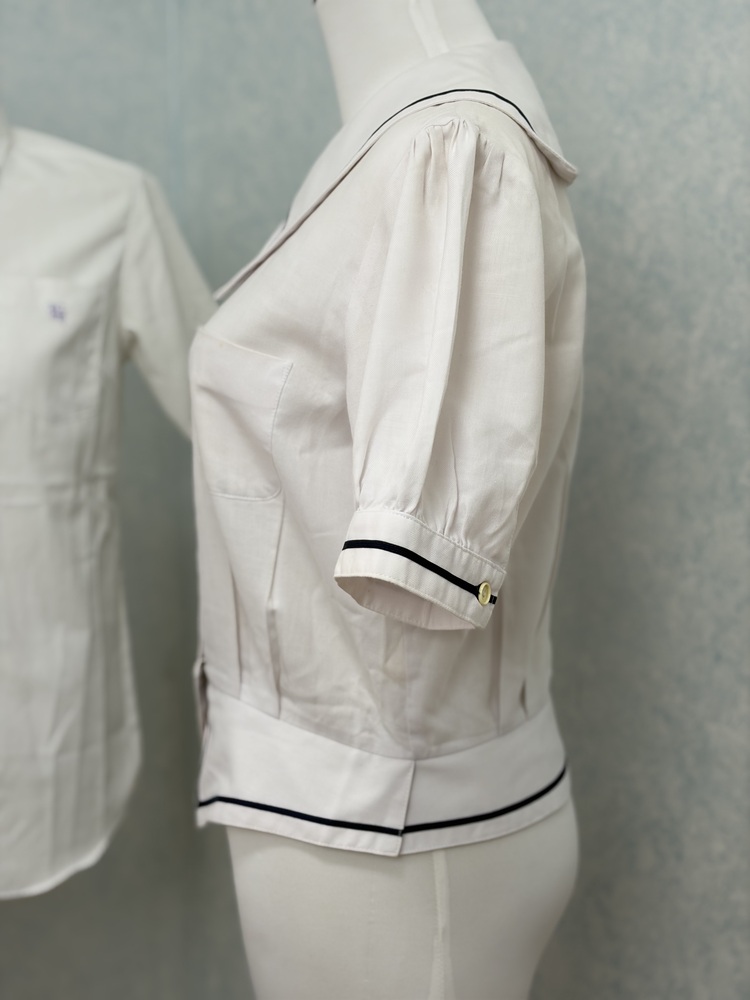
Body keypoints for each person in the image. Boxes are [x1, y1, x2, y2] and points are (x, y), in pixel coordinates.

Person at [190, 1, 586, 995]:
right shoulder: (402, 142)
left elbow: (437, 576)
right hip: (351, 812)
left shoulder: (449, 150)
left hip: (390, 838)